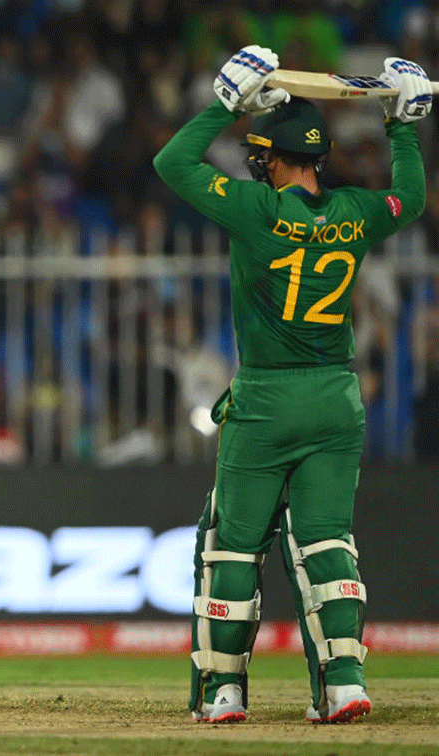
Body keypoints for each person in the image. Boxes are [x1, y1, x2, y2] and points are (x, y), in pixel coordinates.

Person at [154, 46, 432, 724]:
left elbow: (171, 164)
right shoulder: (362, 212)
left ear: (273, 160)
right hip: (337, 400)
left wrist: (223, 104)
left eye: (260, 150)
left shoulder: (253, 208)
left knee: (233, 541)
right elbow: (413, 198)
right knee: (327, 542)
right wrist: (402, 126)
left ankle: (223, 692)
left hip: (267, 399)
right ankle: (344, 685)